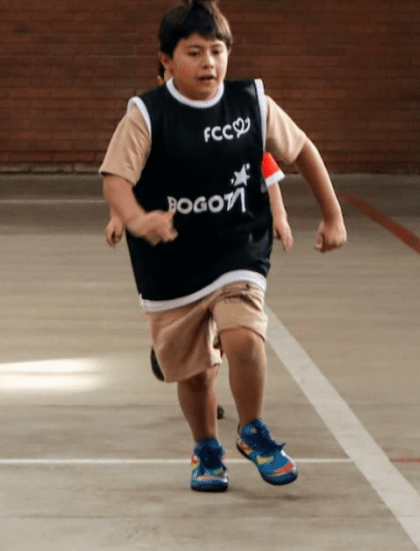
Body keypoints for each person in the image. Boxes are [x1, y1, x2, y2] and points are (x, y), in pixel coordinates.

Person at [101, 0, 346, 492]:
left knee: (243, 338)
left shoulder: (251, 102)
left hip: (238, 246)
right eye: (194, 52)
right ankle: (206, 449)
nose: (209, 62)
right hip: (169, 259)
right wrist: (134, 218)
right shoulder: (146, 114)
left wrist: (331, 214)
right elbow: (115, 177)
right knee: (193, 375)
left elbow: (302, 151)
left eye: (217, 50)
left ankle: (252, 430)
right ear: (167, 60)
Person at [107, 63, 294, 422]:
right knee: (196, 338)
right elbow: (125, 183)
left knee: (234, 326)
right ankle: (195, 377)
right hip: (174, 250)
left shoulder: (233, 126)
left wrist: (280, 216)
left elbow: (267, 172)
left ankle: (226, 397)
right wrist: (122, 218)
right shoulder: (151, 123)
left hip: (225, 245)